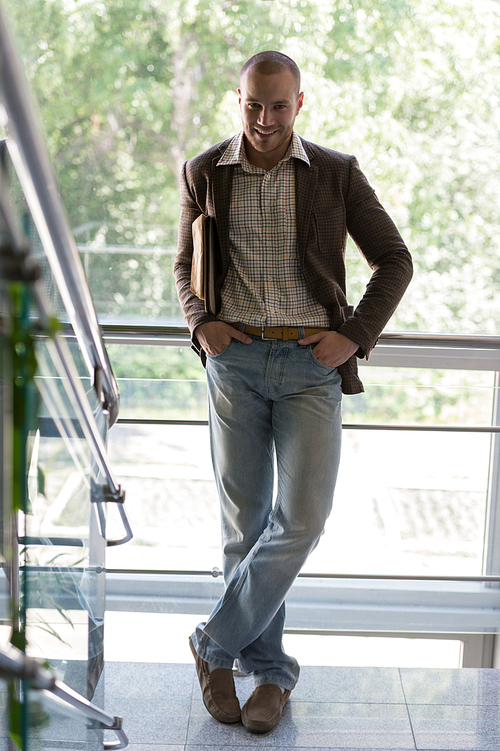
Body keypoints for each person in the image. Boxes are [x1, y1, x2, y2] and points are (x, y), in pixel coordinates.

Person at [174, 50, 413, 733]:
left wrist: (354, 335)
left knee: (300, 521)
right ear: (238, 98)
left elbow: (395, 259)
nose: (265, 118)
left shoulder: (335, 174)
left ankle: (212, 645)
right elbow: (184, 266)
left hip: (311, 366)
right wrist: (203, 324)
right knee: (243, 530)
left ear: (300, 104)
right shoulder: (204, 172)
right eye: (253, 104)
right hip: (236, 361)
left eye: (279, 105)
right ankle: (269, 677)